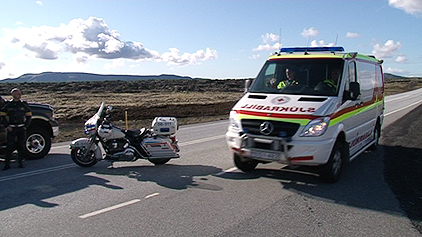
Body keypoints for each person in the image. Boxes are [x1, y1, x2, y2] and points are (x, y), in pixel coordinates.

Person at [1, 88, 32, 170]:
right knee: (9, 146)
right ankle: (7, 164)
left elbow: (29, 116)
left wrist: (26, 126)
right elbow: (2, 117)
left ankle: (20, 162)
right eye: (17, 93)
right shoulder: (8, 105)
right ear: (13, 95)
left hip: (21, 128)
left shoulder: (23, 105)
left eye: (20, 93)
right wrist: (7, 126)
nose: (19, 95)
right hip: (12, 128)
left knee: (21, 146)